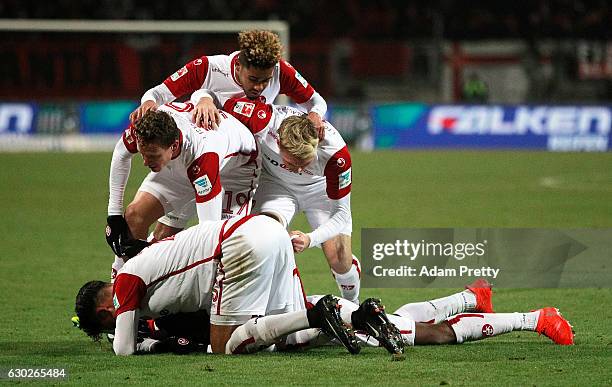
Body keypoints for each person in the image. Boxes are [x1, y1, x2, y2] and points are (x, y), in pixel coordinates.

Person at [77, 215, 362, 355]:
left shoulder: (126, 280)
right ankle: (382, 322)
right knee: (287, 340)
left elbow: (124, 349)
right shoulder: (145, 262)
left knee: (224, 345)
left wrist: (145, 342)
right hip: (268, 229)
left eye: (108, 326)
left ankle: (316, 314)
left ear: (105, 312)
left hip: (236, 246)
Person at [222, 97, 361, 304]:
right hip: (276, 184)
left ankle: (353, 305)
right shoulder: (262, 121)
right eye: (291, 162)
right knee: (264, 235)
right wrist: (203, 98)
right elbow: (222, 103)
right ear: (277, 141)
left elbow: (341, 214)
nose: (297, 169)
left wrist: (310, 239)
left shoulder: (336, 157)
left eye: (304, 162)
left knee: (340, 258)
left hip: (319, 189)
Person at [105, 102, 259, 276]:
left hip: (237, 171)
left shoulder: (203, 157)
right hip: (181, 164)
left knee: (226, 250)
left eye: (153, 156)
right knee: (134, 217)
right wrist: (114, 214)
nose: (145, 162)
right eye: (142, 153)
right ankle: (122, 286)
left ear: (174, 145)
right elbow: (120, 154)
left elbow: (209, 232)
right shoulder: (146, 128)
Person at [129, 30, 327, 134]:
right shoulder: (206, 67)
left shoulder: (280, 70)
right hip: (207, 152)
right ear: (239, 66)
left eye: (265, 81)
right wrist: (148, 103)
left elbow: (316, 101)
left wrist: (315, 115)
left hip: (254, 157)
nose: (259, 87)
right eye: (253, 79)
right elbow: (157, 94)